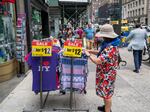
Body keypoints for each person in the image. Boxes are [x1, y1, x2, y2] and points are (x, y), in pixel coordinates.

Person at [84, 24, 120, 112]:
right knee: (105, 92)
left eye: (103, 36)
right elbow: (100, 52)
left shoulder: (110, 48)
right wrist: (89, 50)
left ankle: (107, 110)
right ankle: (105, 107)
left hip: (107, 74)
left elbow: (98, 60)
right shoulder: (108, 44)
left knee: (107, 94)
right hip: (105, 72)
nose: (102, 37)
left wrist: (88, 54)